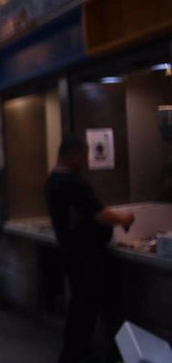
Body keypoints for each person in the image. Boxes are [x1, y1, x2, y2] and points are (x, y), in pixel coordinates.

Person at [46, 134, 135, 363]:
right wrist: (124, 218)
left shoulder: (53, 181)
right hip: (85, 256)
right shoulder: (72, 183)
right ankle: (77, 354)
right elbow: (100, 214)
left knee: (81, 305)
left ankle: (77, 352)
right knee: (86, 306)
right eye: (83, 155)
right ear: (73, 154)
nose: (85, 160)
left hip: (72, 253)